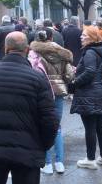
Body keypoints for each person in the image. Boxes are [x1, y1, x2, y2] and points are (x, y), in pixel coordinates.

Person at [0, 32, 57, 184]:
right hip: (28, 151)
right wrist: (42, 144)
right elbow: (50, 120)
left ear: (6, 48)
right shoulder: (38, 79)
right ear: (27, 50)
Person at [30, 28, 73, 175]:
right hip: (58, 92)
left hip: (41, 92)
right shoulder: (62, 53)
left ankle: (47, 163)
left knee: (42, 126)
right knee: (56, 127)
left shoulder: (34, 53)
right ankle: (59, 162)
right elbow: (69, 75)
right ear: (51, 38)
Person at [71, 25, 102, 170]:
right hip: (100, 90)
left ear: (92, 38)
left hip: (89, 92)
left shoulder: (90, 52)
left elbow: (89, 71)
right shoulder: (100, 50)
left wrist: (74, 83)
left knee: (90, 127)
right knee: (100, 126)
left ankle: (90, 159)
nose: (81, 37)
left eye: (84, 35)